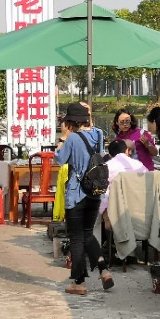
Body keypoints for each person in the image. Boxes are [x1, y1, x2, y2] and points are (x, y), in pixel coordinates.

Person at [55, 102, 113, 295]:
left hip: (76, 193)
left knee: (77, 238)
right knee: (87, 234)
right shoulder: (98, 134)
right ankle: (103, 270)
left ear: (70, 122)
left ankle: (79, 282)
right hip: (94, 192)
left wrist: (63, 138)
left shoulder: (72, 139)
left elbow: (60, 159)